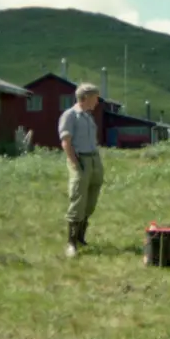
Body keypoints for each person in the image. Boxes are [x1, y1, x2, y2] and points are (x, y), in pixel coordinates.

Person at [58, 83, 105, 257]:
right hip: (81, 160)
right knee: (78, 200)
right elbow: (66, 142)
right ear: (85, 98)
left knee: (90, 201)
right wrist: (76, 165)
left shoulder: (88, 116)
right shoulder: (70, 116)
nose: (97, 102)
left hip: (94, 160)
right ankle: (71, 243)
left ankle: (81, 238)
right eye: (95, 98)